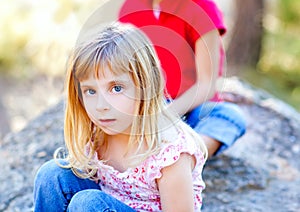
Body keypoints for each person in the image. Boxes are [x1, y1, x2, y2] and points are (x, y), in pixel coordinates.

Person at [33, 22, 208, 211]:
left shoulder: (168, 152)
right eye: (90, 91)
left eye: (116, 88)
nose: (101, 106)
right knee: (52, 174)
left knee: (87, 204)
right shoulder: (98, 135)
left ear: (145, 86)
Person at [118, 0, 246, 158]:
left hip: (189, 108)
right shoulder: (131, 7)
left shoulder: (201, 10)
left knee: (230, 117)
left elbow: (208, 83)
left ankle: (186, 159)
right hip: (145, 106)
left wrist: (165, 116)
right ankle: (149, 153)